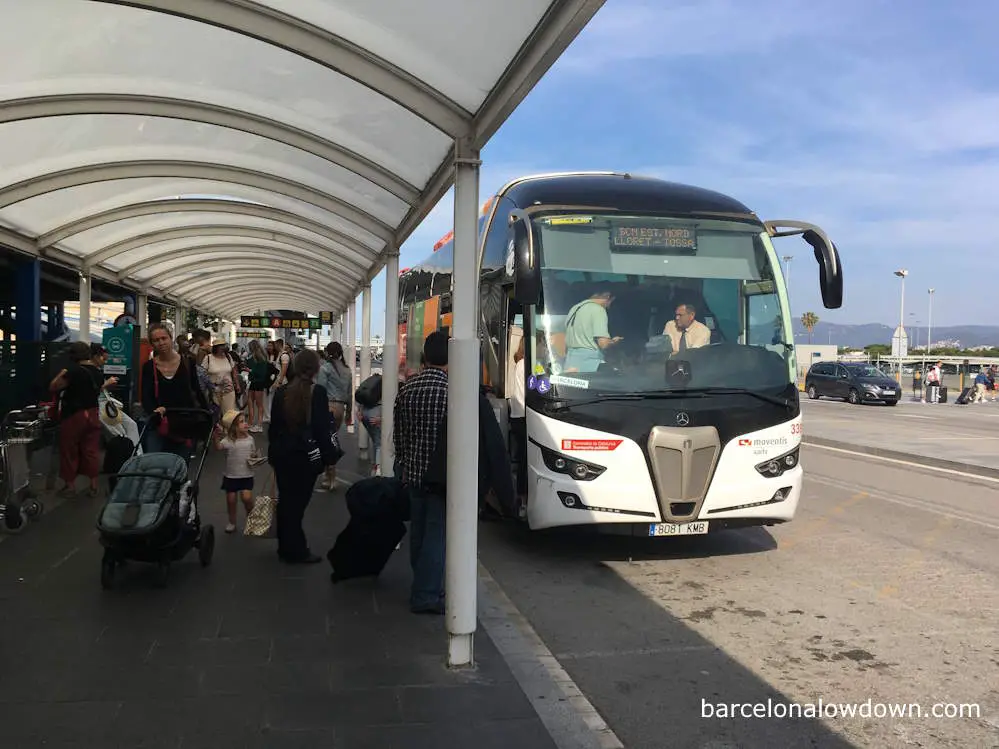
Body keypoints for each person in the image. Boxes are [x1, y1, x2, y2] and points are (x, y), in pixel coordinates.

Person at [393, 332, 450, 614]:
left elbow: (399, 436)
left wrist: (403, 465)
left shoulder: (407, 389)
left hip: (413, 473)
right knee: (436, 537)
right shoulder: (452, 392)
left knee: (419, 532)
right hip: (441, 478)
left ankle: (422, 583)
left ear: (425, 357)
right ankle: (426, 594)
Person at [267, 349, 335, 563]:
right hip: (306, 457)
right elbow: (322, 430)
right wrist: (329, 457)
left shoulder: (282, 392)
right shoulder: (318, 392)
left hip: (282, 454)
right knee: (298, 504)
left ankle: (286, 546)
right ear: (315, 368)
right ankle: (295, 549)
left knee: (287, 500)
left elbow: (274, 428)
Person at [49, 341, 117, 497]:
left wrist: (62, 372)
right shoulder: (98, 373)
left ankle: (70, 486)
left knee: (69, 450)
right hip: (93, 414)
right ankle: (93, 486)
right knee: (91, 450)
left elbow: (53, 387)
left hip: (74, 415)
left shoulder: (72, 372)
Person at [141, 322, 210, 458]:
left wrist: (207, 414)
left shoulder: (187, 362)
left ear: (170, 338)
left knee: (180, 466)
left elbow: (196, 390)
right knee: (154, 464)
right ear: (152, 344)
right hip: (160, 423)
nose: (161, 343)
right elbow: (146, 395)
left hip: (185, 423)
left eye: (164, 338)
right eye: (156, 340)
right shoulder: (149, 367)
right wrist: (154, 410)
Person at [212, 409, 259, 533]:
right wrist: (216, 437)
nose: (245, 424)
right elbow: (218, 447)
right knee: (231, 500)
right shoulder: (229, 440)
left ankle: (252, 519)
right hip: (231, 476)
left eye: (245, 421)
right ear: (234, 427)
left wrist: (255, 458)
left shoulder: (250, 439)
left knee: (247, 498)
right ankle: (232, 522)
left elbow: (253, 454)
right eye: (241, 422)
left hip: (246, 475)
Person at [562, 288, 623, 372]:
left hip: (570, 362)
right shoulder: (598, 310)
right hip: (589, 364)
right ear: (607, 296)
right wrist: (614, 342)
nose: (609, 306)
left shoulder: (574, 308)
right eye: (611, 301)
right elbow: (603, 344)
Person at [317, 342, 352, 490]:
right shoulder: (347, 370)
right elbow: (350, 394)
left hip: (328, 406)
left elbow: (320, 390)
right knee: (333, 440)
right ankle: (330, 475)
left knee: (326, 442)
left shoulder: (325, 368)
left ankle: (330, 477)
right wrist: (349, 412)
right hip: (340, 408)